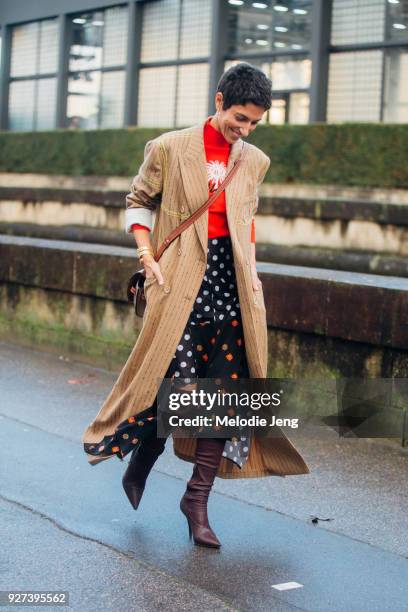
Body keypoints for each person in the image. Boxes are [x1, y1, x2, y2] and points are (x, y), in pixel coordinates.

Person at [82, 62, 310, 549]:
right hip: (182, 278)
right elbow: (138, 200)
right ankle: (145, 453)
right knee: (178, 384)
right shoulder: (169, 147)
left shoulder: (255, 161)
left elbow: (244, 219)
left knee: (225, 393)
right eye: (239, 119)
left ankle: (197, 499)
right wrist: (146, 255)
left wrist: (252, 275)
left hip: (235, 286)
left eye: (253, 124)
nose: (243, 131)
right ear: (220, 99)